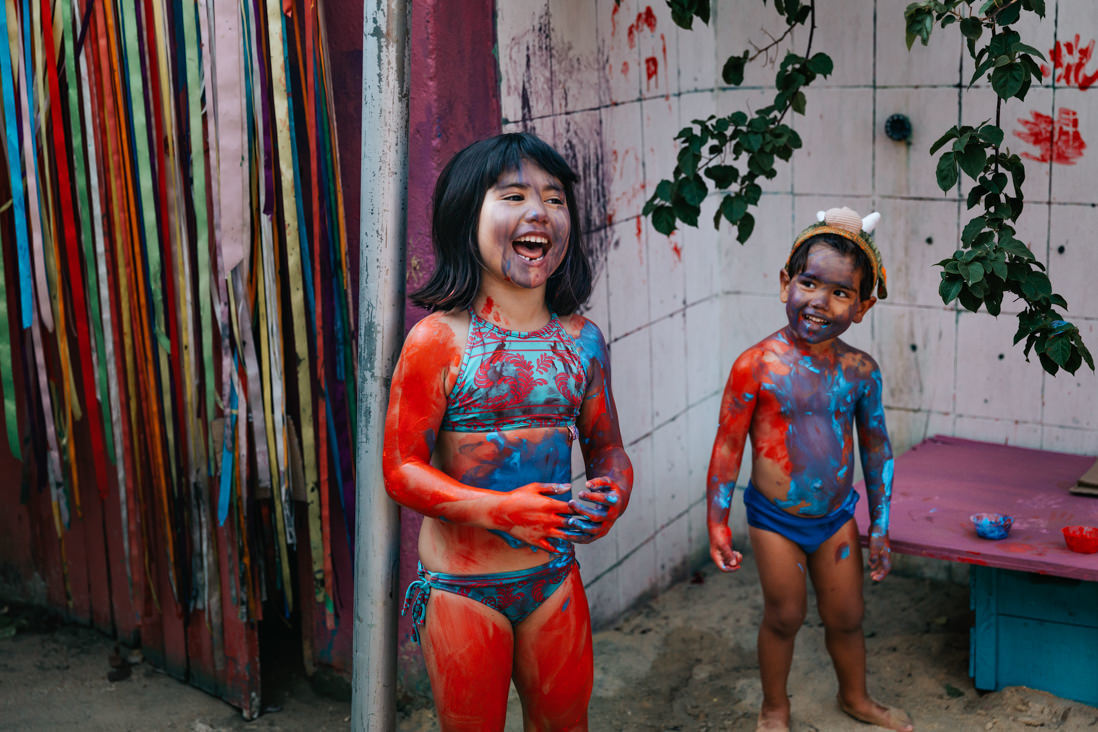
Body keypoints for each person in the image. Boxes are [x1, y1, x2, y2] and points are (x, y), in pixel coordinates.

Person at [383, 132, 633, 731]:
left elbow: (609, 450)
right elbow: (401, 471)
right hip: (464, 591)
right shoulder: (439, 341)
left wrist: (614, 494)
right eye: (513, 195)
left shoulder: (582, 341)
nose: (538, 213)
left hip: (553, 579)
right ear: (465, 217)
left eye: (554, 198)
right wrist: (500, 511)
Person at [706, 207, 913, 732]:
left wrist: (880, 525)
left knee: (847, 618)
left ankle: (856, 697)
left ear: (863, 307)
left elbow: (876, 452)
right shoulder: (756, 365)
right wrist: (717, 521)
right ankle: (774, 707)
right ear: (785, 284)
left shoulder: (860, 371)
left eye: (841, 293)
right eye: (809, 282)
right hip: (775, 518)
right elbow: (728, 447)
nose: (821, 301)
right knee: (785, 615)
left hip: (836, 518)